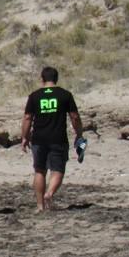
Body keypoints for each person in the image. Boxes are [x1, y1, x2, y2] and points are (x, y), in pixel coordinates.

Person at [21, 67, 83, 212]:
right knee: (58, 169)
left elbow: (27, 118)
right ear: (56, 79)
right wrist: (79, 133)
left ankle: (40, 205)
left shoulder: (34, 96)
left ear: (42, 79)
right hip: (58, 138)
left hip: (38, 139)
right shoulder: (65, 95)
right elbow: (74, 116)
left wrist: (24, 137)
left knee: (39, 171)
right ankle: (49, 194)